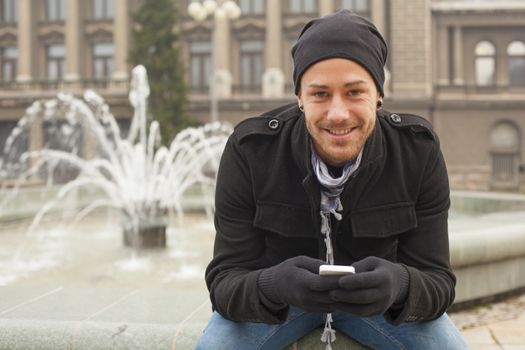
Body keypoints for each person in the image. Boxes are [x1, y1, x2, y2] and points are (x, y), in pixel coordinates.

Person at [196, 9, 468, 350]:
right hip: (278, 308)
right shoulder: (251, 150)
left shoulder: (417, 151)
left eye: (355, 92)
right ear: (299, 98)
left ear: (379, 94)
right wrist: (274, 284)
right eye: (320, 94)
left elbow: (439, 283)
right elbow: (223, 283)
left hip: (380, 308)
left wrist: (399, 284)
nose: (338, 114)